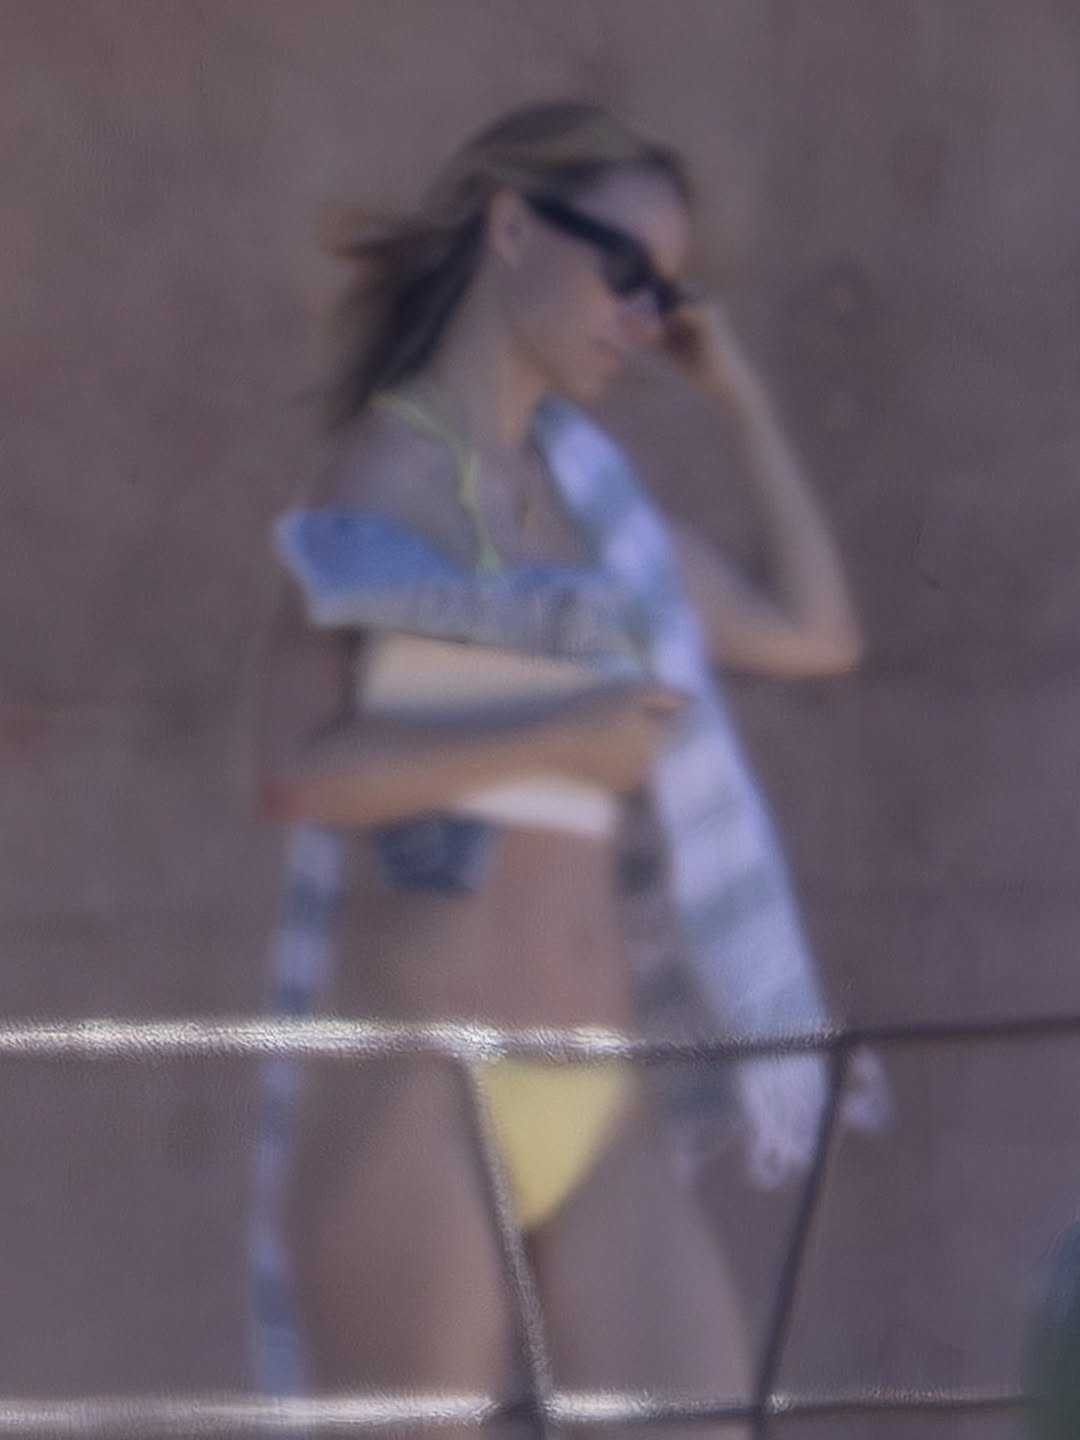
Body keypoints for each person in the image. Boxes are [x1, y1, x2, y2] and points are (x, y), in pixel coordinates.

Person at [250, 101, 865, 1438]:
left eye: (670, 293)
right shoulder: (385, 474)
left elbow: (818, 634)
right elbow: (298, 773)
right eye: (625, 269)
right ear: (513, 227)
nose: (645, 317)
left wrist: (740, 394)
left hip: (598, 1095)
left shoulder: (602, 517)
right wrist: (554, 736)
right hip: (426, 1083)